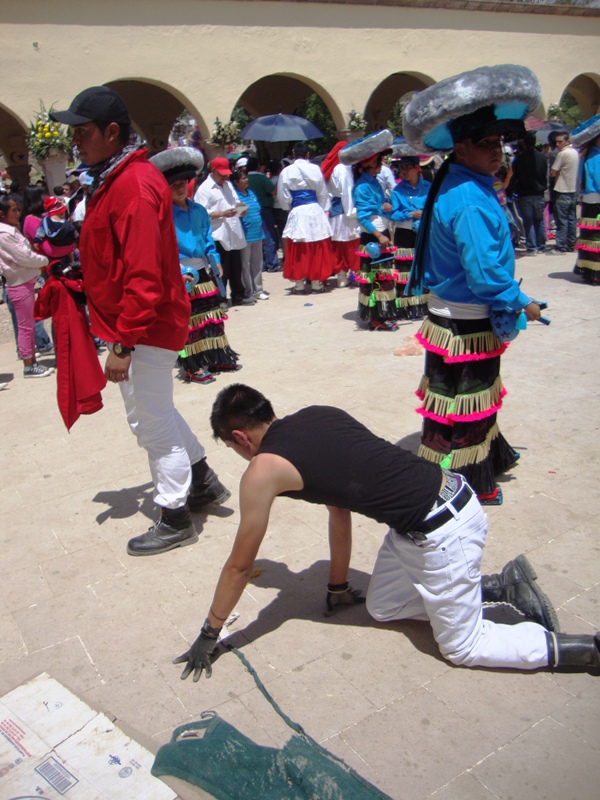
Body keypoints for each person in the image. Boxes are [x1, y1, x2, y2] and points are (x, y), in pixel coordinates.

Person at [173, 383, 600, 681]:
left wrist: (209, 635)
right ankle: (496, 587)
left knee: (463, 647)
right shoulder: (320, 414)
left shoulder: (262, 470)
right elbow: (339, 510)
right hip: (438, 507)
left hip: (443, 530)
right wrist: (338, 586)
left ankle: (584, 649)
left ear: (239, 437)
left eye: (231, 447)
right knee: (383, 606)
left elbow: (239, 566)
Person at [50, 86, 231, 556]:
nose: (75, 140)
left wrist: (123, 344)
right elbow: (117, 254)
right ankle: (202, 481)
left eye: (82, 131)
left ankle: (175, 517)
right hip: (141, 323)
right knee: (155, 413)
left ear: (112, 132)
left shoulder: (131, 184)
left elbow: (145, 276)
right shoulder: (118, 179)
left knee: (149, 423)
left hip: (143, 326)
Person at [402, 64, 543, 506]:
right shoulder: (469, 200)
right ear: (461, 148)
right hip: (467, 321)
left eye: (499, 143)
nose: (496, 152)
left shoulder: (459, 182)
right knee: (469, 403)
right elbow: (483, 275)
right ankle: (468, 483)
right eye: (486, 145)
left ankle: (473, 461)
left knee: (453, 399)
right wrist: (522, 300)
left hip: (450, 316)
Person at [149, 146, 241, 382]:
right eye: (174, 185)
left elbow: (207, 239)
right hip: (180, 274)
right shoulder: (162, 215)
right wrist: (177, 270)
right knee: (188, 323)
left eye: (183, 183)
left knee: (212, 316)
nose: (180, 188)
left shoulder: (199, 210)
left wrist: (215, 259)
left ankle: (216, 356)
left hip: (203, 270)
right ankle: (193, 365)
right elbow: (161, 248)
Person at [339, 130, 398, 330]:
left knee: (383, 277)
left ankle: (383, 315)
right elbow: (363, 217)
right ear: (370, 163)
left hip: (381, 234)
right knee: (376, 279)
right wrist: (379, 236)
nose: (382, 164)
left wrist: (386, 206)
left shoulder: (373, 183)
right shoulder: (362, 187)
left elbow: (378, 207)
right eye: (380, 160)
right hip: (374, 236)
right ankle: (376, 318)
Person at [0, 195, 52, 377]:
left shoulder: (10, 230)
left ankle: (32, 361)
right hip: (19, 283)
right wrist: (44, 259)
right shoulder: (4, 234)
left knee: (29, 324)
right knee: (25, 326)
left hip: (24, 281)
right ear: (2, 214)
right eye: (13, 210)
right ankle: (29, 364)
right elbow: (24, 257)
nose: (17, 213)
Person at [277, 141, 335, 294]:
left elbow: (283, 196)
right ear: (308, 154)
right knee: (316, 244)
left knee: (298, 247)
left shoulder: (286, 171)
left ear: (294, 154)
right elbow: (322, 192)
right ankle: (316, 283)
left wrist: (289, 207)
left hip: (297, 210)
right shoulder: (315, 169)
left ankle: (299, 284)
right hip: (314, 209)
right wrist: (323, 208)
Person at [194, 157, 253, 306]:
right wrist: (222, 213)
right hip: (217, 234)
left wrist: (240, 208)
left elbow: (234, 201)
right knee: (220, 269)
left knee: (236, 267)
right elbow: (201, 213)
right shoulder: (204, 189)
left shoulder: (228, 185)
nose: (225, 177)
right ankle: (219, 298)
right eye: (222, 174)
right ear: (213, 171)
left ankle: (238, 294)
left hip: (233, 231)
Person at [388, 148, 432, 319]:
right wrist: (411, 214)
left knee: (423, 267)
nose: (404, 172)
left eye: (408, 168)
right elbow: (393, 214)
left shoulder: (428, 187)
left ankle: (424, 306)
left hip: (423, 232)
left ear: (417, 168)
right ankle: (406, 308)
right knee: (405, 271)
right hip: (405, 233)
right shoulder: (397, 191)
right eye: (401, 168)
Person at [321, 141, 360, 287]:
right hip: (345, 211)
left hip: (336, 211)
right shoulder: (343, 168)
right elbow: (347, 192)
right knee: (351, 244)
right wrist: (352, 211)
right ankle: (355, 274)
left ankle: (342, 276)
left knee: (339, 245)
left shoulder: (334, 168)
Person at [231, 168, 269, 301]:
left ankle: (259, 290)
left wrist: (262, 233)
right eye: (243, 178)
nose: (246, 180)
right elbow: (234, 216)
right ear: (236, 182)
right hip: (244, 236)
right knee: (245, 265)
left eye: (246, 177)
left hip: (257, 233)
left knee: (257, 264)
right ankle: (248, 291)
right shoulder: (235, 196)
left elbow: (258, 213)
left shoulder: (251, 193)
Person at [571, 114, 600, 284]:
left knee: (591, 237)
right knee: (596, 238)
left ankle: (590, 271)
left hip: (590, 202)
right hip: (597, 202)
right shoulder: (597, 157)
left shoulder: (588, 156)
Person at [511, 132, 548, 256]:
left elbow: (515, 176)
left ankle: (532, 247)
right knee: (539, 220)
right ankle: (541, 245)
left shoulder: (519, 159)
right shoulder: (542, 157)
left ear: (524, 143)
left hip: (525, 193)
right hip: (539, 193)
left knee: (528, 221)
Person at [245, 157, 279, 273]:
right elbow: (273, 191)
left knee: (257, 237)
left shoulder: (245, 178)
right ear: (258, 166)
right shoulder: (261, 178)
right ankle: (272, 263)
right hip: (264, 209)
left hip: (249, 211)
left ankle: (261, 263)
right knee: (269, 236)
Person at [550, 132, 579, 254]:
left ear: (567, 141)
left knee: (561, 220)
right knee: (571, 219)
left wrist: (558, 172)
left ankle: (560, 246)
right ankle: (571, 244)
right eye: (556, 142)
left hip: (562, 190)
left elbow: (553, 172)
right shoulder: (575, 152)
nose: (557, 144)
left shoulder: (563, 153)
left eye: (560, 141)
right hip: (573, 190)